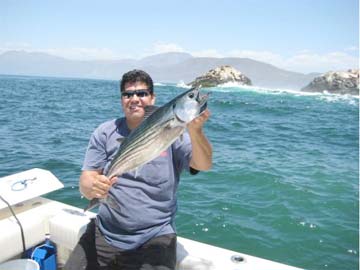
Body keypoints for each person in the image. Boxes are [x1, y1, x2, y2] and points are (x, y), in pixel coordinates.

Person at [65, 69, 212, 270]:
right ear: (121, 100)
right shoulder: (105, 132)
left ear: (152, 98)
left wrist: (196, 131)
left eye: (142, 93)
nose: (134, 99)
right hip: (105, 231)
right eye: (128, 94)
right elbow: (86, 180)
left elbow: (203, 165)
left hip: (155, 236)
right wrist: (93, 188)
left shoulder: (179, 134)